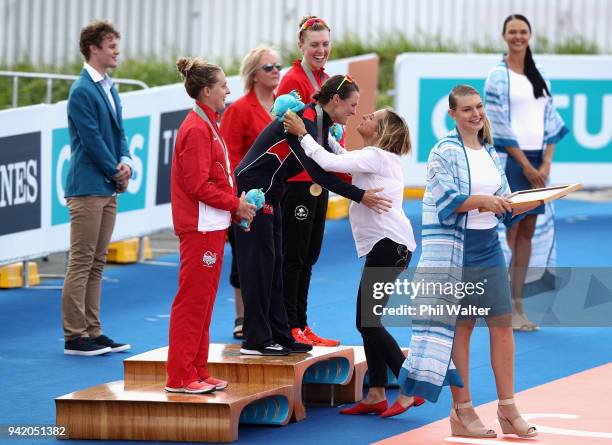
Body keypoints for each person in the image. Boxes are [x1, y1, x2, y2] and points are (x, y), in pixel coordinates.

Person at [398, 85, 537, 438]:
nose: (475, 114)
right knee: (462, 329)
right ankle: (462, 411)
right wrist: (482, 201)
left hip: (488, 247)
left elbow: (503, 203)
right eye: (466, 109)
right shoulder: (443, 152)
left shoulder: (489, 152)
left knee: (503, 326)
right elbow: (447, 201)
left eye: (478, 108)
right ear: (453, 115)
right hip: (454, 252)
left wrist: (527, 202)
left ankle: (508, 409)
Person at [234, 75, 392, 356]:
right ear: (335, 101)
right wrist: (360, 195)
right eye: (352, 105)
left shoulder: (320, 124)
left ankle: (281, 334)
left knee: (275, 267)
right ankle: (255, 339)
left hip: (272, 192)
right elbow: (318, 172)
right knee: (259, 268)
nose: (355, 111)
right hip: (253, 191)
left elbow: (337, 161)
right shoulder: (304, 121)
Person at [283, 108, 425, 418]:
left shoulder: (376, 156)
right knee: (368, 321)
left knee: (367, 321)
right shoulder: (378, 158)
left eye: (372, 116)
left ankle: (410, 384)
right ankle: (375, 393)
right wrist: (332, 142)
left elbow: (332, 165)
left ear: (382, 130)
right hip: (390, 247)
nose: (364, 116)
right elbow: (345, 161)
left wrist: (302, 134)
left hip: (389, 246)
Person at [164, 57, 256, 394]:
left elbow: (215, 179)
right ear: (206, 91)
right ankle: (180, 376)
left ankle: (197, 371)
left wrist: (233, 209)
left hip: (213, 225)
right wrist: (236, 204)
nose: (228, 90)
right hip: (200, 228)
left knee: (203, 302)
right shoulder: (196, 128)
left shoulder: (208, 123)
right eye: (222, 86)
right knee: (192, 301)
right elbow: (197, 185)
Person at [485, 14, 569, 331]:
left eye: (523, 32)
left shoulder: (540, 73)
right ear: (504, 36)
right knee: (511, 232)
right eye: (512, 32)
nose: (518, 37)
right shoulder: (497, 76)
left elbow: (550, 119)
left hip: (537, 164)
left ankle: (517, 305)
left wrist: (545, 164)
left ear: (530, 35)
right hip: (511, 163)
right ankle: (504, 305)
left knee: (528, 233)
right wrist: (525, 165)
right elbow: (498, 124)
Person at [62, 20, 132, 356]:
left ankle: (93, 329)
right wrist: (114, 171)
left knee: (98, 260)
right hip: (88, 186)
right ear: (93, 48)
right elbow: (90, 141)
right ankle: (75, 335)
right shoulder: (82, 90)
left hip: (106, 185)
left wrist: (126, 163)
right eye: (111, 46)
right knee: (82, 260)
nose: (116, 51)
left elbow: (119, 133)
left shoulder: (109, 86)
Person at [276, 15, 341, 347]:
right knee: (295, 255)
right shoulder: (292, 80)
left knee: (309, 254)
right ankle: (290, 325)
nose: (321, 50)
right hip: (297, 179)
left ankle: (301, 323)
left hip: (318, 177)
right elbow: (289, 132)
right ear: (300, 45)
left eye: (325, 44)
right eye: (314, 44)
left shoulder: (326, 79)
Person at [220, 46, 281, 340]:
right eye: (268, 67)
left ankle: (268, 315)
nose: (275, 72)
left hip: (277, 193)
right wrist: (236, 200)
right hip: (247, 195)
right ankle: (242, 315)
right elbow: (229, 157)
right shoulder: (239, 110)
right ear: (253, 75)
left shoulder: (283, 108)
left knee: (272, 258)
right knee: (244, 258)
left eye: (277, 66)